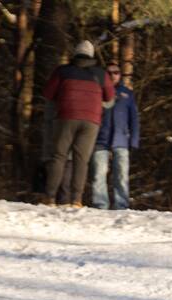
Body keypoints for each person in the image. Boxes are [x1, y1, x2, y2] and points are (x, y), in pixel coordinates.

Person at [41, 40, 115, 207]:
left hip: (66, 116)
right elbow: (110, 97)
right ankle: (76, 199)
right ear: (91, 55)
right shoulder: (101, 74)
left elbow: (48, 93)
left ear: (75, 54)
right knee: (82, 160)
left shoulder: (62, 71)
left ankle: (50, 197)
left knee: (59, 156)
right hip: (91, 121)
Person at [89, 61, 139, 210]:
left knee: (122, 176)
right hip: (100, 139)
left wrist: (134, 141)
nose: (112, 75)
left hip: (121, 140)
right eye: (109, 72)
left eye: (116, 72)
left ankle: (121, 205)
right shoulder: (97, 92)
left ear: (120, 75)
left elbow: (134, 119)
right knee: (98, 174)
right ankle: (100, 205)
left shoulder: (127, 94)